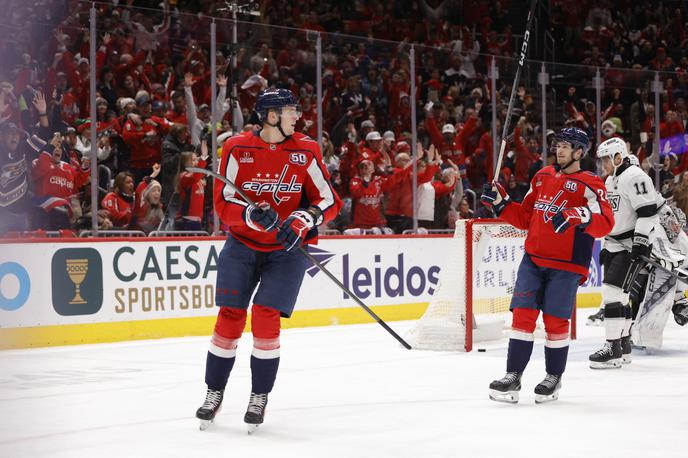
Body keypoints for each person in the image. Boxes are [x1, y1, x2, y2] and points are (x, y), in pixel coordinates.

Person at [196, 88, 342, 432]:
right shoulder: (236, 146)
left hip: (286, 250)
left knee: (264, 317)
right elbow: (223, 202)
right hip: (243, 245)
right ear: (272, 115)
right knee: (229, 318)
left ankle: (258, 396)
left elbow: (329, 200)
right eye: (292, 110)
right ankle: (213, 393)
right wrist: (249, 214)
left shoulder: (306, 150)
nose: (298, 117)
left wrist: (301, 219)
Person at [481, 127, 614, 403]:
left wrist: (580, 215)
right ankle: (513, 376)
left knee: (555, 322)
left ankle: (553, 377)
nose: (560, 150)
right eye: (558, 145)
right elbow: (525, 217)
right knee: (523, 318)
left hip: (566, 265)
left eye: (566, 146)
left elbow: (605, 223)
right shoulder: (541, 177)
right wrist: (501, 204)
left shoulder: (592, 183)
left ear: (579, 152)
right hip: (533, 259)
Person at [588, 137, 660, 369]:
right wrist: (606, 245)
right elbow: (614, 216)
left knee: (611, 293)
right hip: (614, 244)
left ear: (618, 156)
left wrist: (639, 242)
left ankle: (612, 346)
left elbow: (648, 212)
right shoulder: (611, 179)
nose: (603, 166)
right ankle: (623, 345)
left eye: (606, 160)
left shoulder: (635, 176)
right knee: (620, 296)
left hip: (631, 245)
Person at [628, 205, 688, 351]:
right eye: (673, 223)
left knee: (676, 278)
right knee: (638, 290)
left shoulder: (680, 237)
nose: (675, 228)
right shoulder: (653, 228)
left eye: (678, 225)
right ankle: (630, 330)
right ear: (664, 221)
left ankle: (681, 303)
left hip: (660, 273)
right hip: (641, 270)